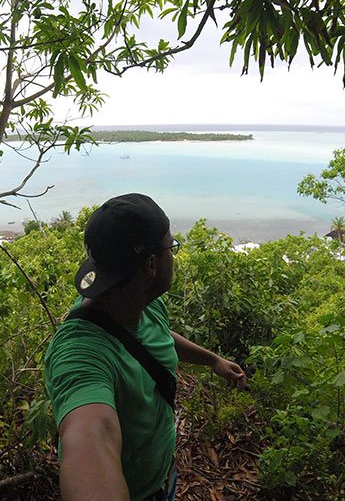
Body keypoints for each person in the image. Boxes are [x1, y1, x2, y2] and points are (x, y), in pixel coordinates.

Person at [45, 193, 246, 501]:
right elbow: (90, 436)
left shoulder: (133, 300)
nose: (173, 255)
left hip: (164, 476)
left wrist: (212, 360)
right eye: (171, 247)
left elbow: (158, 336)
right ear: (152, 263)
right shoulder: (81, 353)